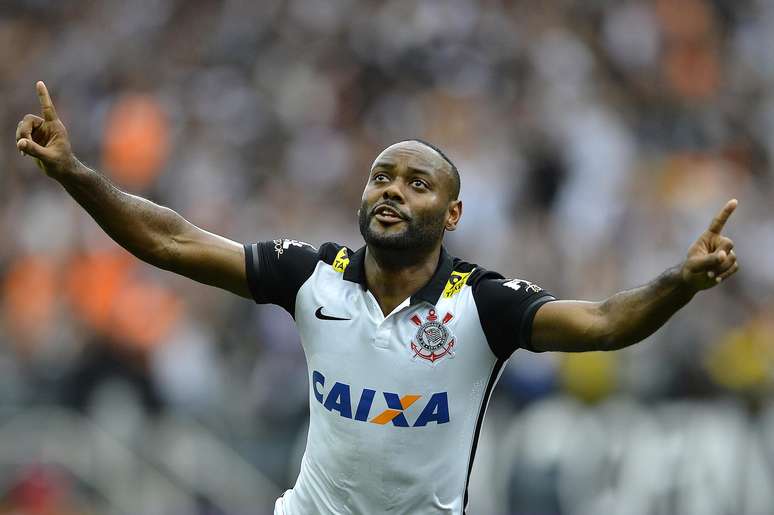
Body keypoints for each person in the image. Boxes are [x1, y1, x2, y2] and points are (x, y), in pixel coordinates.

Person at [15, 82, 739, 515]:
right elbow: (170, 240)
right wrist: (76, 173)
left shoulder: (481, 305)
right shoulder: (313, 276)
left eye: (416, 182)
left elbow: (608, 323)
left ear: (451, 215)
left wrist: (680, 279)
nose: (392, 188)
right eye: (381, 176)